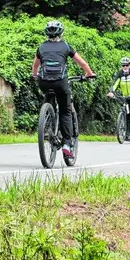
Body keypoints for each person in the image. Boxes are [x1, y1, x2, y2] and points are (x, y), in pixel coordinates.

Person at [30, 20, 95, 158]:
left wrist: (35, 76)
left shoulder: (41, 47)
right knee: (65, 111)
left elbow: (35, 66)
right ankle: (67, 143)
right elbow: (82, 63)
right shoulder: (65, 46)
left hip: (44, 82)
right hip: (60, 82)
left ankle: (47, 125)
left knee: (48, 96)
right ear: (61, 33)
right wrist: (89, 74)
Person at [108, 56, 130, 139]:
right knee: (126, 115)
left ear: (129, 65)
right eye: (123, 65)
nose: (125, 67)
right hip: (125, 98)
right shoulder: (119, 74)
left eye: (127, 65)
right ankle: (129, 134)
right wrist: (111, 92)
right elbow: (114, 84)